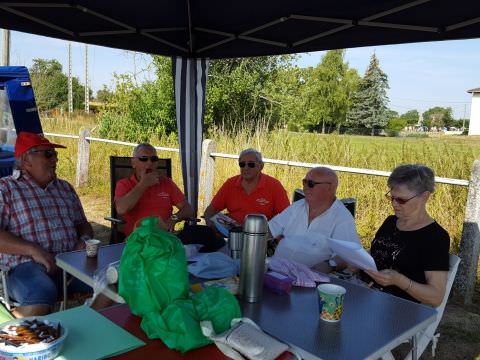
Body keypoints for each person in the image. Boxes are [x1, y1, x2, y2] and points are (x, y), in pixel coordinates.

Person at [0, 132, 93, 317]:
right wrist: (34, 250)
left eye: (55, 154)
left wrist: (84, 239)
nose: (55, 159)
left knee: (112, 281)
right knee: (42, 292)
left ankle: (90, 332)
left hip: (70, 265)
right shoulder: (6, 188)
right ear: (27, 160)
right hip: (25, 266)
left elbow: (82, 223)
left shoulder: (65, 187)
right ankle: (14, 336)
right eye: (49, 154)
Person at [365, 164, 450, 307]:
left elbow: (436, 297)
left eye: (402, 200)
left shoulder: (435, 237)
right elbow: (378, 257)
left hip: (401, 309)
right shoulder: (391, 222)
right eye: (391, 197)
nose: (394, 204)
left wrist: (400, 281)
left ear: (424, 197)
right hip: (369, 297)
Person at [115, 143, 223, 251]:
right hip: (138, 241)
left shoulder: (166, 183)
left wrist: (173, 219)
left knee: (206, 239)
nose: (149, 163)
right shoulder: (124, 184)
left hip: (166, 240)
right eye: (144, 159)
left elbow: (188, 209)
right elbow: (121, 209)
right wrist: (143, 185)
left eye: (154, 159)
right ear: (133, 163)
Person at [268, 167, 360, 272]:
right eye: (304, 182)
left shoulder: (342, 218)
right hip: (276, 269)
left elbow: (348, 256)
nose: (305, 187)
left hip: (310, 278)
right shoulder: (298, 206)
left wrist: (330, 264)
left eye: (311, 184)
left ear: (330, 187)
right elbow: (270, 230)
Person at [204, 148, 290, 226]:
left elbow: (288, 217)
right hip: (233, 234)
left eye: (251, 164)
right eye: (242, 164)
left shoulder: (274, 186)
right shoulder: (230, 183)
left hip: (262, 236)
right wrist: (212, 226)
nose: (246, 168)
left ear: (261, 166)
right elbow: (209, 211)